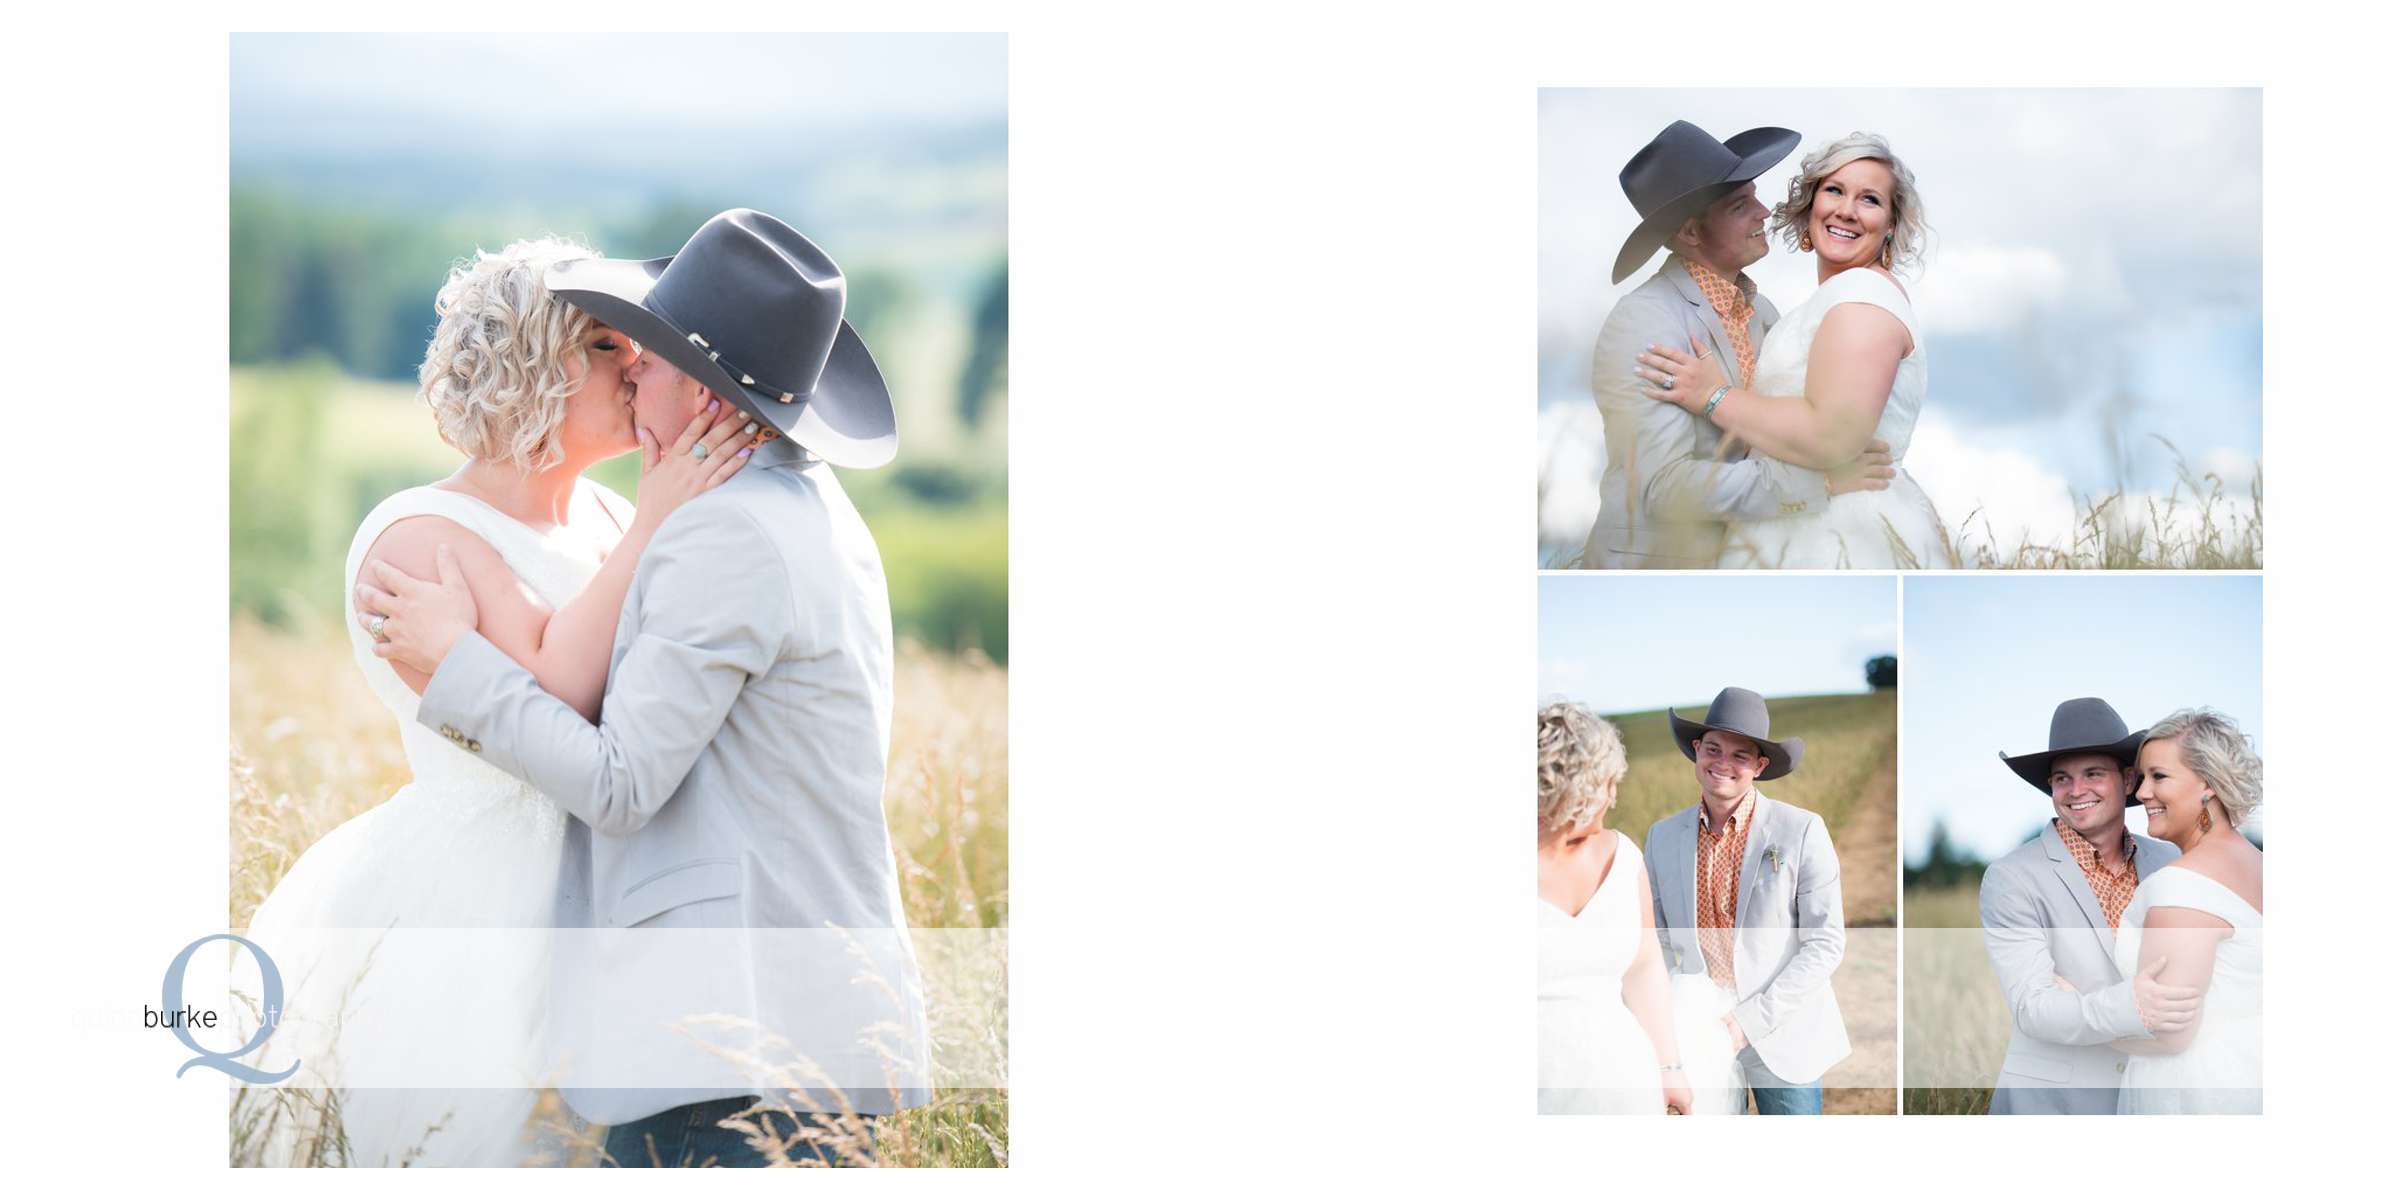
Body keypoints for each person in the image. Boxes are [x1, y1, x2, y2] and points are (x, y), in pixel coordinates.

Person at [360, 209, 932, 1168]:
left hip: (734, 1044)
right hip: (774, 1029)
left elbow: (621, 785)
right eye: (619, 351)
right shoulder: (796, 506)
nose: (635, 372)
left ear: (711, 395)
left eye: (655, 357)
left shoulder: (726, 533)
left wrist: (457, 665)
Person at [238, 236, 757, 1166]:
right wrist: (658, 516)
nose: (639, 366)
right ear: (532, 361)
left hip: (611, 889)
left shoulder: (605, 516)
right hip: (479, 914)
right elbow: (555, 691)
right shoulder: (415, 536)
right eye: (608, 345)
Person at [1575, 120, 1896, 569]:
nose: (1764, 212)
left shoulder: (1764, 313)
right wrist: (1819, 481)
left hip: (1748, 559)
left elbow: (1785, 427)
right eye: (1740, 205)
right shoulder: (1646, 321)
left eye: (1756, 196)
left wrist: (1836, 442)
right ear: (1690, 233)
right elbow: (1663, 488)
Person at [1636, 132, 1953, 568]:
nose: (1846, 209)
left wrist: (1712, 396)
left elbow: (1833, 434)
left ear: (1891, 225)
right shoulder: (1830, 298)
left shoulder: (1862, 296)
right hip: (1795, 515)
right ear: (1811, 205)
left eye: (1870, 200)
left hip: (1838, 531)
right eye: (1835, 190)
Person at [1979, 698, 2197, 1114]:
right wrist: (2138, 1006)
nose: (2076, 791)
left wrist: (2081, 1002)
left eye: (2093, 774)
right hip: (2052, 1105)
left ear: (2129, 779)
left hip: (2155, 1094)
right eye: (2061, 778)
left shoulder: (2171, 862)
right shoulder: (2011, 878)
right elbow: (2036, 1010)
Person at [1643, 687, 1849, 1114]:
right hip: (1698, 1028)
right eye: (1713, 749)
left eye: (1740, 755)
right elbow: (1659, 940)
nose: (1723, 763)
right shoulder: (1661, 837)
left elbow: (1825, 943)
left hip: (1783, 1028)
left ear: (1760, 765)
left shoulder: (1802, 830)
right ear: (1696, 750)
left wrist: (1747, 1022)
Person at [1536, 703, 1740, 1114]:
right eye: (1605, 784)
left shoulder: (1624, 857)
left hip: (1621, 1082)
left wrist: (1670, 1067)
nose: (1613, 797)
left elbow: (1645, 968)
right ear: (1565, 786)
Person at [2104, 708, 2263, 1113]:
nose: (2140, 793)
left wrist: (2082, 1026)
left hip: (2190, 1093)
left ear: (2207, 783)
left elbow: (2169, 1034)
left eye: (2158, 776)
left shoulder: (2181, 884)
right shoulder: (2261, 865)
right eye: (2141, 778)